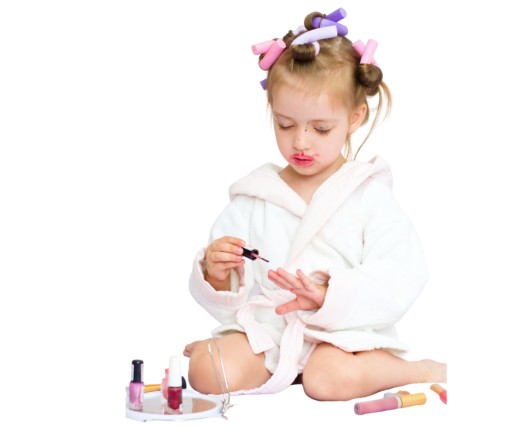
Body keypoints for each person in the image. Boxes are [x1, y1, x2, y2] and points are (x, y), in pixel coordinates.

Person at [183, 7, 447, 401]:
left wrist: (331, 297)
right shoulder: (255, 195)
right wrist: (216, 274)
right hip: (270, 333)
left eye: (321, 128)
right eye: (285, 124)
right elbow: (230, 289)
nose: (300, 142)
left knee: (325, 380)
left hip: (341, 336)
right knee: (206, 372)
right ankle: (279, 366)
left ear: (354, 117)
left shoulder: (368, 194)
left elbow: (401, 275)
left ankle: (414, 369)